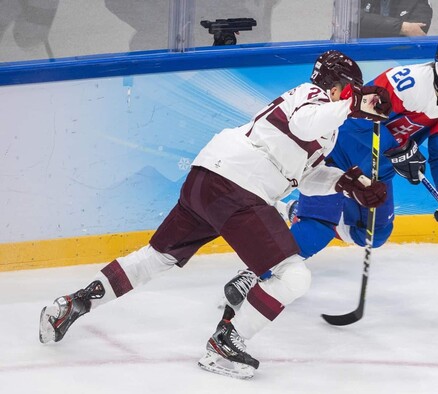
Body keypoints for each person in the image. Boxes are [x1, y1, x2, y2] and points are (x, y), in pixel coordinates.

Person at [38, 49, 392, 380]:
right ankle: (224, 344)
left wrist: (347, 184)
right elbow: (304, 124)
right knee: (293, 276)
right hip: (239, 188)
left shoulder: (322, 122)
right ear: (341, 87)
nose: (351, 98)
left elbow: (305, 175)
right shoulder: (311, 97)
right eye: (350, 91)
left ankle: (74, 303)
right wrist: (353, 107)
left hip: (209, 177)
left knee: (157, 256)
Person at [223, 30, 438, 309]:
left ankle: (295, 211)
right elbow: (358, 118)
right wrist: (397, 147)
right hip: (340, 152)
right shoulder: (406, 82)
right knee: (319, 227)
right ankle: (254, 273)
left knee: (372, 234)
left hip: (379, 169)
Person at [359, 0, 433, 38]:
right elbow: (353, 20)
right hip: (359, 52)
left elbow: (418, 30)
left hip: (400, 55)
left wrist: (371, 25)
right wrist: (402, 28)